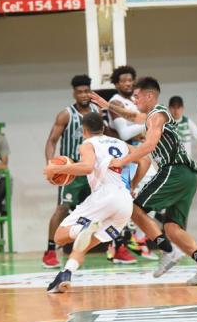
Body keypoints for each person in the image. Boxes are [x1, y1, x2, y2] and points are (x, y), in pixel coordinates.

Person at [106, 77, 197, 286]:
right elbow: (132, 116)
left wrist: (121, 161)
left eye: (137, 96)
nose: (134, 100)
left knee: (134, 209)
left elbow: (149, 146)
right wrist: (107, 105)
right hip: (187, 176)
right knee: (172, 228)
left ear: (149, 96)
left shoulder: (157, 115)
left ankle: (168, 251)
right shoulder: (151, 116)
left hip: (174, 171)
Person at [44, 113, 151, 293]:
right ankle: (65, 274)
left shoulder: (87, 144)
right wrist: (132, 185)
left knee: (59, 236)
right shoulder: (120, 143)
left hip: (105, 195)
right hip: (125, 202)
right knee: (84, 245)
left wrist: (58, 168)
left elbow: (87, 167)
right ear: (103, 128)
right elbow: (145, 160)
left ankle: (83, 229)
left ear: (84, 130)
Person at [90, 65, 151, 263]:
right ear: (116, 84)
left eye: (130, 80)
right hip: (124, 155)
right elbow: (124, 134)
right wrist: (147, 124)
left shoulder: (133, 102)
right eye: (123, 81)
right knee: (123, 201)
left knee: (144, 199)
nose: (128, 83)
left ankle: (136, 239)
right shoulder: (116, 102)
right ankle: (118, 246)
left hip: (138, 153)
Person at [43, 75, 102, 268]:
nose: (83, 95)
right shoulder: (66, 114)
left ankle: (116, 247)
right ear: (74, 93)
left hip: (92, 170)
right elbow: (52, 141)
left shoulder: (97, 112)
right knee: (62, 208)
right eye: (79, 92)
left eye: (86, 91)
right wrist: (51, 165)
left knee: (104, 208)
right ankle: (50, 251)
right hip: (71, 171)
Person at [167, 96, 197, 166]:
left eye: (178, 108)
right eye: (173, 108)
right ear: (169, 108)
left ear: (183, 108)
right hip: (170, 163)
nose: (176, 111)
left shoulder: (187, 122)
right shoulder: (165, 123)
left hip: (186, 163)